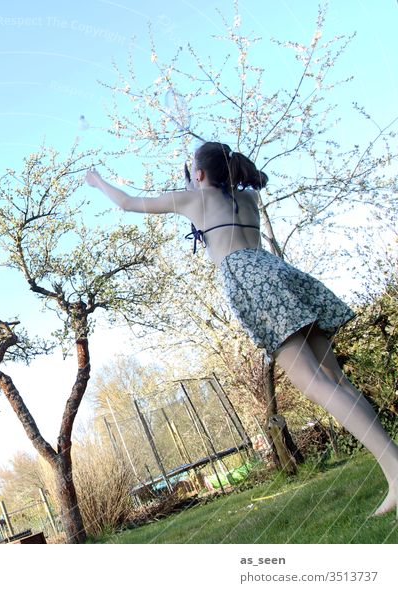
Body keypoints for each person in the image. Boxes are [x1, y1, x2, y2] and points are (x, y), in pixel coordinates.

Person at [85, 141, 398, 518]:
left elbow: (128, 203)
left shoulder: (195, 202)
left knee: (316, 383)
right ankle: (393, 468)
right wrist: (195, 190)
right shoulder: (245, 200)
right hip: (279, 273)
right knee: (336, 379)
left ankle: (396, 473)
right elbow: (218, 210)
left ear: (199, 174)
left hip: (253, 284)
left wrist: (98, 181)